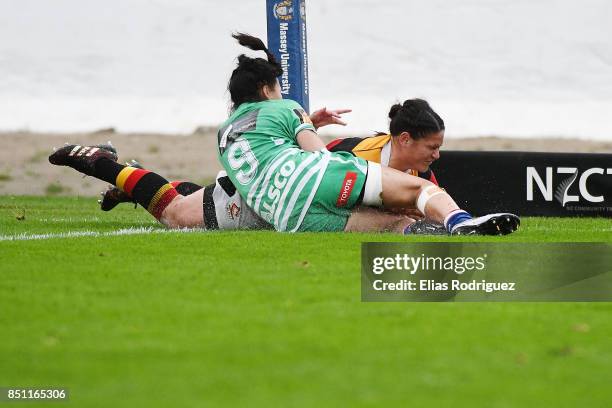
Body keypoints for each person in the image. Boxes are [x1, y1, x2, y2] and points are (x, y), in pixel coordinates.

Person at [49, 33, 519, 235]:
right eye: (432, 147)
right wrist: (307, 129)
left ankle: (110, 169)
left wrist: (306, 125)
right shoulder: (296, 116)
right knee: (179, 211)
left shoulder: (226, 129)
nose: (436, 155)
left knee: (179, 212)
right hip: (287, 185)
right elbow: (319, 155)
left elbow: (246, 164)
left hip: (274, 204)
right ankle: (107, 166)